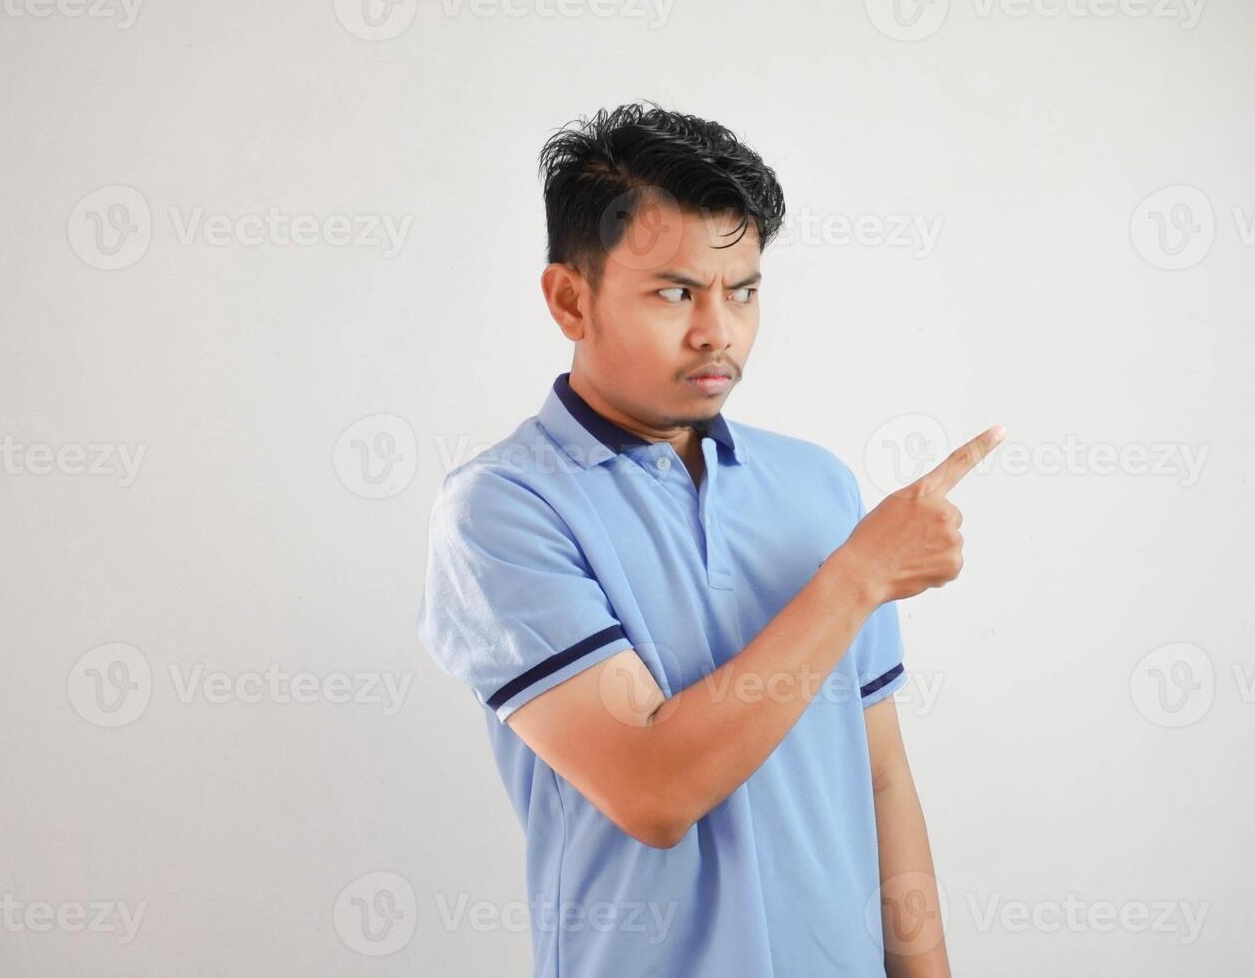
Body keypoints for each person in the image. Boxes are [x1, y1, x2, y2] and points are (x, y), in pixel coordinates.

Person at [416, 99, 1003, 977]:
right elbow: (653, 791)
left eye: (744, 291)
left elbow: (878, 776)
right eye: (675, 292)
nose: (717, 331)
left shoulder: (817, 486)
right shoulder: (502, 510)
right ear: (570, 298)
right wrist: (855, 579)